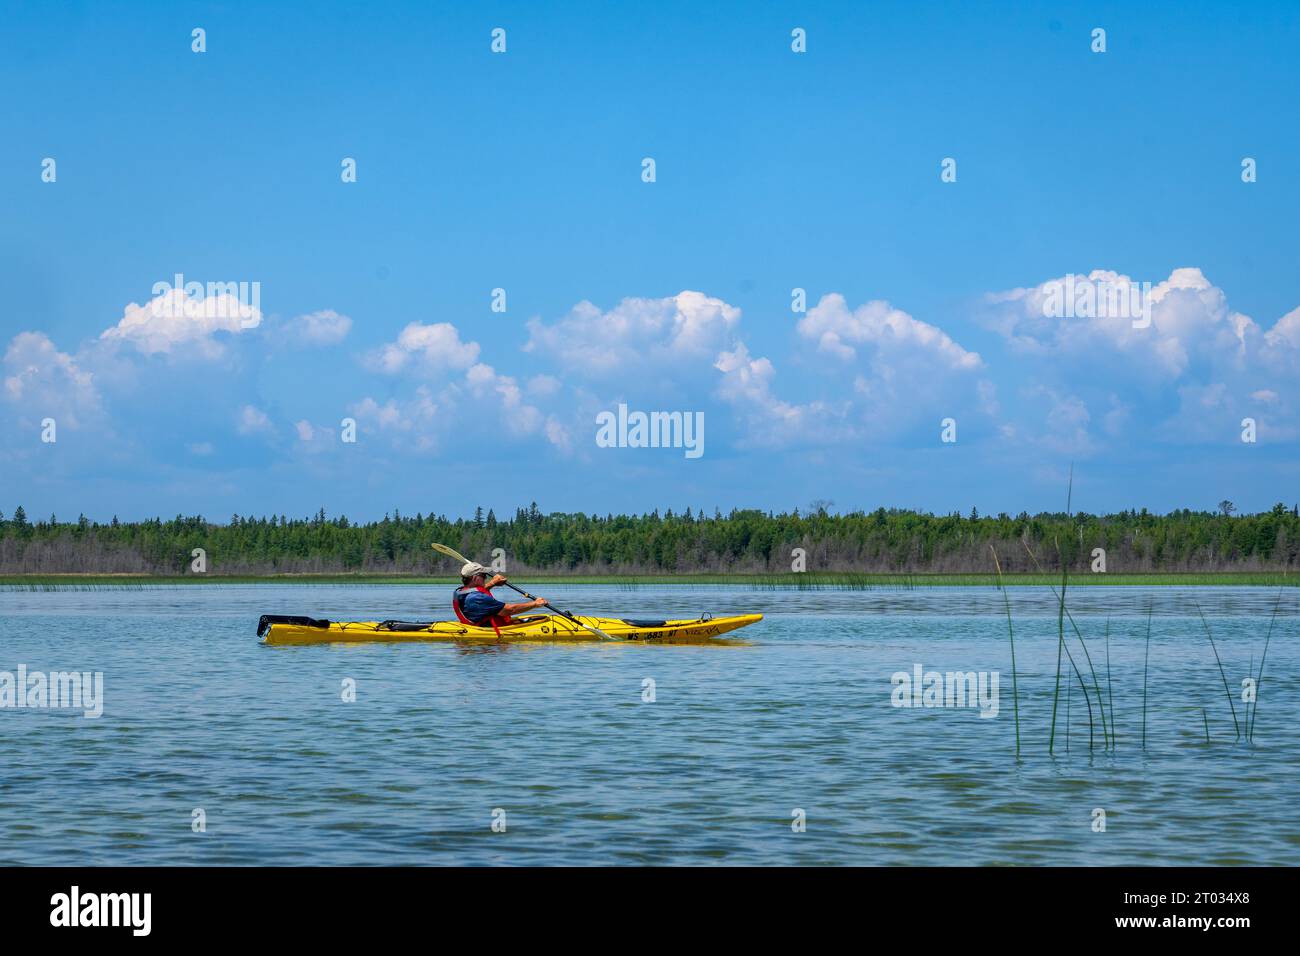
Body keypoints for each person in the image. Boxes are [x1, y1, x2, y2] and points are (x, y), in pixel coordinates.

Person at [451, 561, 546, 630]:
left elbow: (477, 592)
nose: (485, 578)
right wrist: (535, 604)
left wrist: (493, 583)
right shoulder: (479, 598)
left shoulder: (460, 592)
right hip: (490, 631)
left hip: (474, 626)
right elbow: (510, 610)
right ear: (475, 578)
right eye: (484, 576)